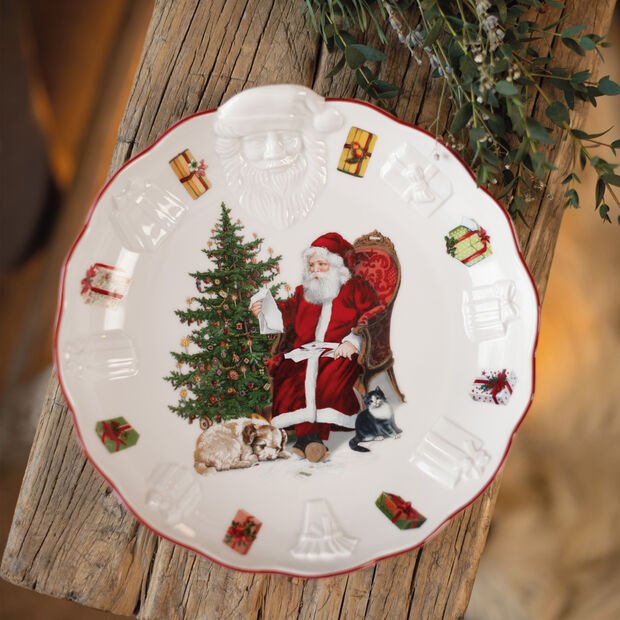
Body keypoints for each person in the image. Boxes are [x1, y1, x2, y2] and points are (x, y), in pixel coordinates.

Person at [250, 233, 382, 462]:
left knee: (328, 379)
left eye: (322, 264)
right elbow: (286, 311)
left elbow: (374, 314)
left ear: (336, 266)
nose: (315, 270)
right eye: (311, 265)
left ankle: (308, 441)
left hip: (339, 350)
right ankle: (310, 441)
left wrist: (353, 340)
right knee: (290, 375)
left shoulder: (355, 288)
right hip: (305, 351)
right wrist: (265, 309)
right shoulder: (304, 292)